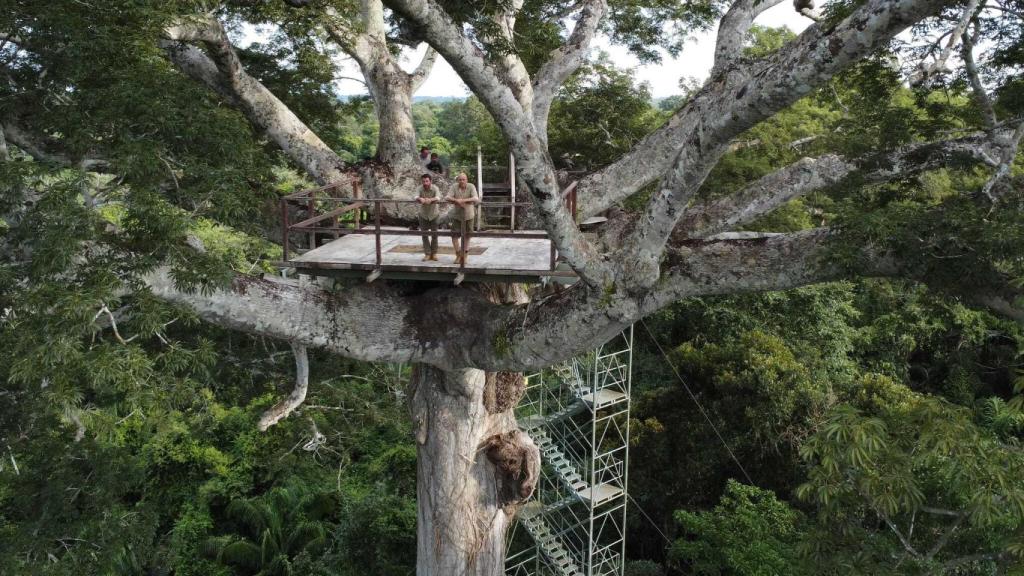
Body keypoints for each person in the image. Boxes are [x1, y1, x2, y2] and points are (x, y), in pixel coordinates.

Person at [448, 172, 479, 266]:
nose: (462, 181)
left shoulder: (471, 186)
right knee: (454, 235)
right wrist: (456, 200)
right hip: (457, 215)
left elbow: (476, 198)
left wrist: (464, 200)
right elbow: (447, 197)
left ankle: (464, 256)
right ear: (458, 180)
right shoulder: (454, 186)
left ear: (467, 180)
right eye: (460, 179)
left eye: (463, 179)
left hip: (469, 215)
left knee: (467, 236)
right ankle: (458, 254)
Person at [415, 173, 443, 261]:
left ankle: (434, 253)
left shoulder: (435, 188)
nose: (425, 183)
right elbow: (415, 196)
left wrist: (430, 200)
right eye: (423, 181)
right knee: (424, 235)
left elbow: (438, 197)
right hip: (423, 215)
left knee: (435, 235)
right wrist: (420, 199)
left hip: (434, 214)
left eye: (427, 181)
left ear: (430, 181)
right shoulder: (419, 188)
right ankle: (427, 253)